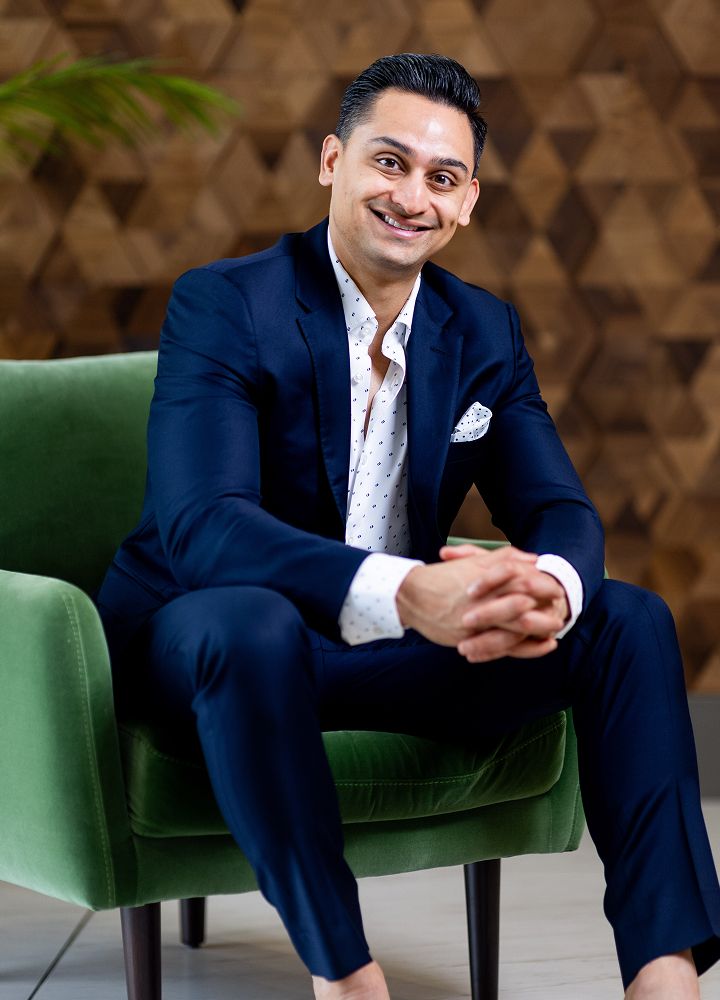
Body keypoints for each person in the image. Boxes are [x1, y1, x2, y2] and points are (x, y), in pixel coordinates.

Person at [96, 53, 720, 999]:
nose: (410, 197)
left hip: (387, 649)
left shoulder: (483, 331)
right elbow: (202, 527)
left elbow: (559, 510)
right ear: (331, 162)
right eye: (388, 163)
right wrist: (405, 588)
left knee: (626, 621)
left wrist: (545, 587)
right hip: (214, 639)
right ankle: (347, 976)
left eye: (441, 177)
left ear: (467, 201)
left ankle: (663, 977)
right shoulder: (227, 303)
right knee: (248, 621)